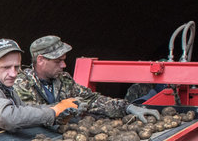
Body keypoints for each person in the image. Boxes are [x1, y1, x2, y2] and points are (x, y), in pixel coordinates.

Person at [14, 36, 160, 122]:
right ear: (40, 60)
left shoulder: (63, 80)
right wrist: (66, 109)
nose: (64, 65)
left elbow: (92, 99)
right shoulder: (21, 84)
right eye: (58, 61)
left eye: (64, 60)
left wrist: (127, 107)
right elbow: (31, 115)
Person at [0, 38, 80, 141]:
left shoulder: (5, 86)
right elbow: (8, 117)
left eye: (16, 67)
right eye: (6, 67)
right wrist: (52, 112)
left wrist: (58, 107)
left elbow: (23, 109)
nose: (13, 74)